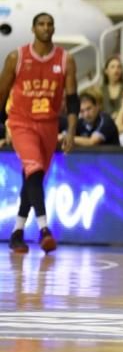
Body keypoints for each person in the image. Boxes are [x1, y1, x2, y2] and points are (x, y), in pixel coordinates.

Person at [0, 13, 78, 254]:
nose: (46, 28)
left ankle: (17, 233)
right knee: (33, 171)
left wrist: (71, 131)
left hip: (49, 124)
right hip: (22, 122)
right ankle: (45, 230)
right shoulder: (17, 56)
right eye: (41, 24)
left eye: (50, 24)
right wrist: (2, 126)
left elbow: (73, 99)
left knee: (32, 178)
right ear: (33, 29)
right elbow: (1, 94)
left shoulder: (65, 59)